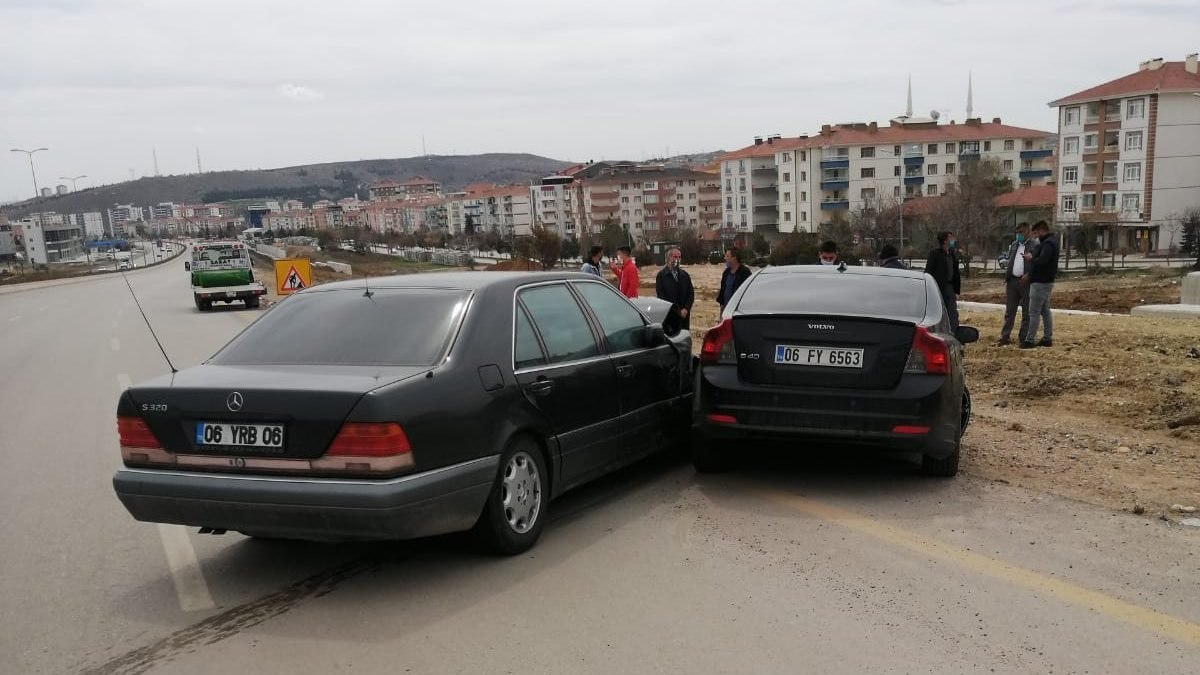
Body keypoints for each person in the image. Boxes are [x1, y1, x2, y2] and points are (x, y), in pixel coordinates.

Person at [1021, 221, 1059, 349]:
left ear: (1042, 230)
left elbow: (1043, 261)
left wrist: (1031, 259)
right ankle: (1047, 337)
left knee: (1034, 311)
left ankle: (1029, 340)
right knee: (1044, 310)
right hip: (1046, 281)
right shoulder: (1051, 242)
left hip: (1040, 282)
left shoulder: (1048, 244)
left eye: (1036, 233)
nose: (1036, 236)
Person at [998, 222, 1032, 346]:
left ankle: (1023, 337)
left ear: (1028, 231)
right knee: (1010, 310)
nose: (1019, 235)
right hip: (1012, 281)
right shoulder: (1014, 245)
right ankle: (1005, 336)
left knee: (1026, 311)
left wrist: (1029, 275)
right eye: (1017, 233)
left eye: (1021, 232)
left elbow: (1038, 263)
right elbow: (1011, 260)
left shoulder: (1035, 246)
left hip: (1026, 282)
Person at [924, 231, 961, 331]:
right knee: (940, 313)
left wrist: (957, 288)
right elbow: (928, 272)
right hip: (939, 288)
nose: (953, 240)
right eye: (950, 238)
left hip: (950, 287)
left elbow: (955, 272)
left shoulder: (952, 254)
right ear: (945, 241)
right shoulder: (935, 254)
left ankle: (954, 332)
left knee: (953, 313)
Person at [655, 247, 694, 334]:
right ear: (668, 258)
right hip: (670, 317)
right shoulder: (661, 276)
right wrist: (676, 311)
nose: (677, 260)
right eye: (675, 257)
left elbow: (690, 294)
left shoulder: (685, 275)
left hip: (684, 318)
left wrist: (686, 308)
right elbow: (661, 297)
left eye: (679, 257)